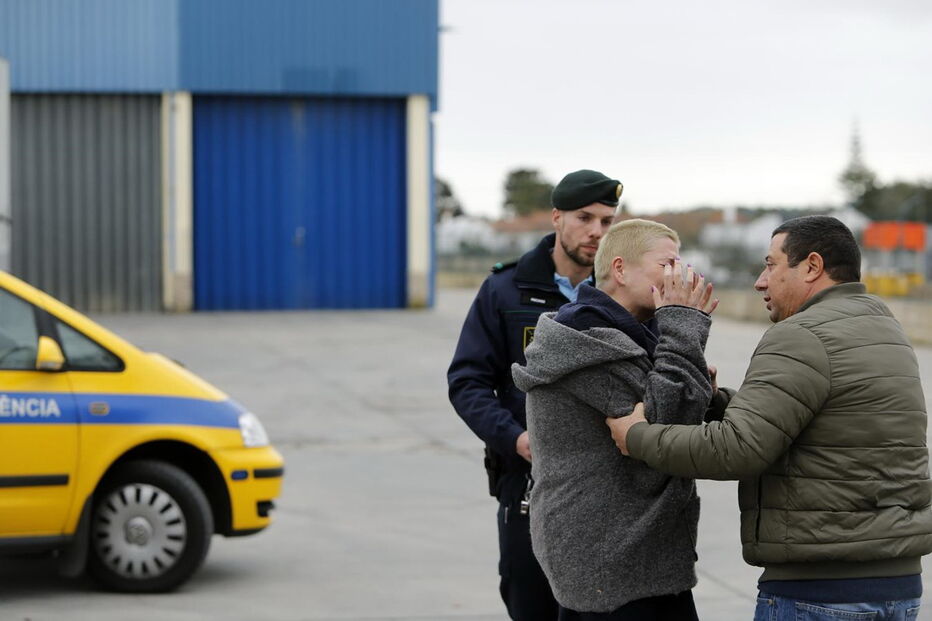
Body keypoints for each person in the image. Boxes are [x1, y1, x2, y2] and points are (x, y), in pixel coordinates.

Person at [607, 215, 932, 620]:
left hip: (821, 591)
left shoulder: (802, 333)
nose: (760, 281)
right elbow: (823, 423)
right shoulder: (882, 327)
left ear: (812, 266)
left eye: (771, 264)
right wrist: (717, 401)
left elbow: (737, 449)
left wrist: (637, 436)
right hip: (896, 588)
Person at [511, 219, 719, 620]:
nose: (682, 275)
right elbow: (663, 428)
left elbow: (675, 410)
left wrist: (686, 359)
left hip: (629, 554)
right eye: (668, 264)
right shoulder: (590, 342)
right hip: (612, 559)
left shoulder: (633, 335)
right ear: (620, 269)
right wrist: (683, 327)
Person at [448, 169, 622, 620]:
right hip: (528, 482)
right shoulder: (505, 290)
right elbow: (468, 382)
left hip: (608, 486)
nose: (596, 232)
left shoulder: (621, 294)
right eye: (585, 218)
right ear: (556, 218)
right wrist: (516, 439)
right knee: (531, 602)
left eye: (607, 221)